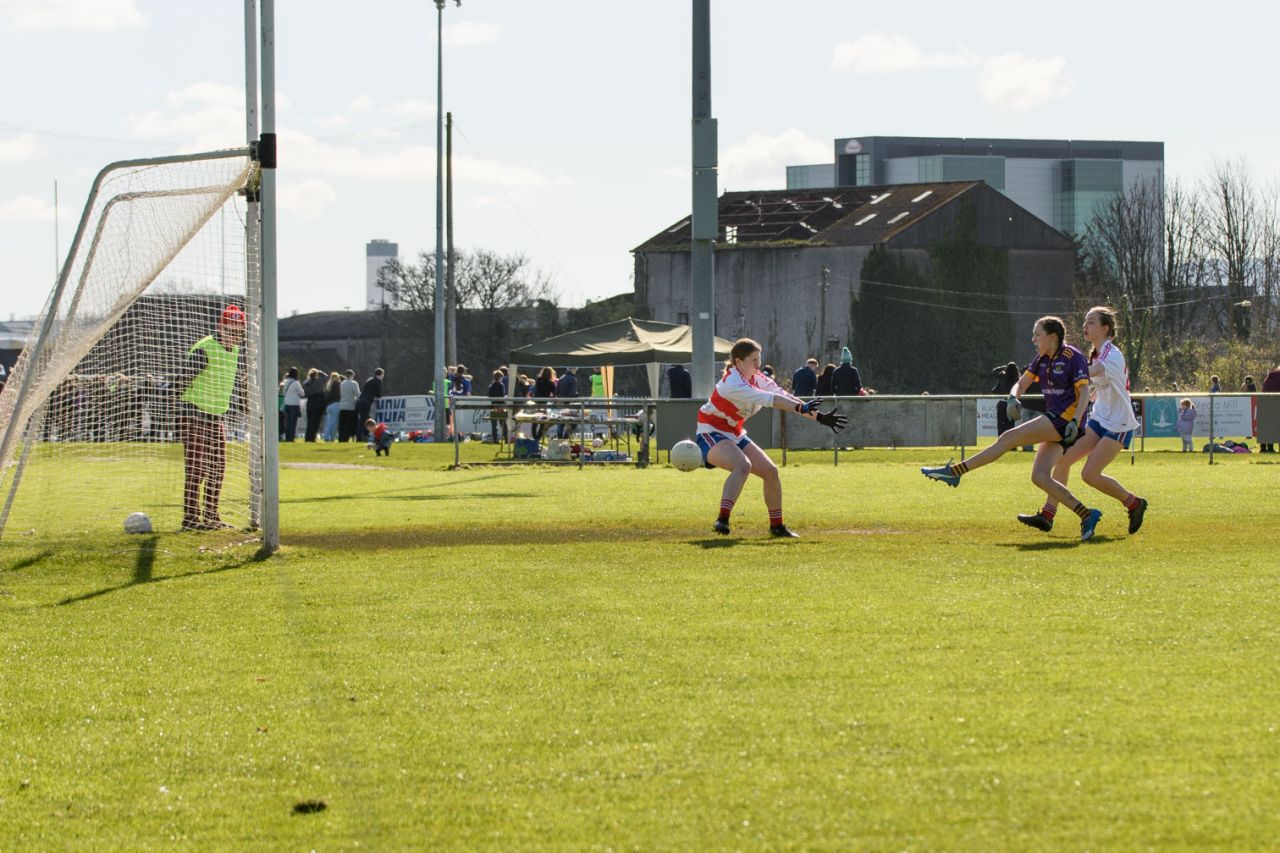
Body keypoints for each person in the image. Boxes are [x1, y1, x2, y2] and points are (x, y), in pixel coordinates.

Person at [921, 316, 1104, 542]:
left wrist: (1076, 422)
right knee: (1039, 477)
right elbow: (1021, 382)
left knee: (1008, 437)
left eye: (1037, 334)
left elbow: (1085, 393)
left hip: (1065, 421)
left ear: (1052, 337)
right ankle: (1087, 514)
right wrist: (1012, 397)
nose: (1033, 339)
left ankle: (955, 472)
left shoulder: (1072, 357)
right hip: (1058, 421)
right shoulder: (1041, 360)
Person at [696, 337, 847, 539]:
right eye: (753, 360)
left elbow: (785, 397)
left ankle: (777, 527)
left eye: (759, 359)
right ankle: (722, 519)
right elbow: (772, 400)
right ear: (738, 362)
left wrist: (819, 417)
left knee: (770, 471)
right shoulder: (732, 383)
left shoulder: (757, 377)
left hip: (734, 433)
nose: (758, 365)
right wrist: (803, 409)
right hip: (710, 431)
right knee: (743, 466)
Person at [1018, 307, 1148, 536]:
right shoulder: (1094, 354)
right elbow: (1090, 383)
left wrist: (1064, 373)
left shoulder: (1112, 354)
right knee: (1063, 460)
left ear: (1105, 329)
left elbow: (1091, 372)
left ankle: (1134, 503)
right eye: (1085, 322)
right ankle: (1048, 515)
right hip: (1099, 419)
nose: (1085, 327)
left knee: (1089, 475)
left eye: (1091, 323)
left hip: (1119, 424)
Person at [177, 305, 245, 531]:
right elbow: (181, 381)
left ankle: (212, 516)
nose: (236, 337)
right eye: (232, 331)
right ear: (221, 328)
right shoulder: (204, 349)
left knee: (218, 466)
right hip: (193, 413)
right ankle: (190, 519)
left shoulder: (235, 350)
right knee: (197, 468)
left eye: (240, 332)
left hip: (216, 415)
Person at [991, 361, 1020, 435]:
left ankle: (1001, 443)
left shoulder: (1002, 376)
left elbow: (994, 371)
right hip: (1012, 403)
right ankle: (1011, 444)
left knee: (1000, 424)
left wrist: (1005, 366)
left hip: (1002, 403)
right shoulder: (1017, 379)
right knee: (1010, 425)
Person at [356, 367, 384, 441]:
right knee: (363, 421)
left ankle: (365, 435)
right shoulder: (378, 381)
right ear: (381, 374)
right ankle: (360, 437)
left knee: (366, 419)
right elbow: (378, 394)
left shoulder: (369, 380)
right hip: (366, 402)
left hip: (360, 401)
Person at [531, 366, 557, 441]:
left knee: (535, 419)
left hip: (536, 401)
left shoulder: (538, 380)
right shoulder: (551, 383)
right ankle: (538, 437)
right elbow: (554, 393)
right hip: (544, 403)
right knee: (543, 420)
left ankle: (534, 436)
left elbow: (535, 389)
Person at [302, 368, 327, 442]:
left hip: (310, 403)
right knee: (316, 422)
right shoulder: (319, 381)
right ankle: (312, 438)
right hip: (318, 403)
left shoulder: (306, 383)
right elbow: (326, 377)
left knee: (310, 422)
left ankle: (307, 438)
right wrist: (321, 372)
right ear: (316, 375)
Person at [280, 366, 304, 442]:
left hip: (287, 404)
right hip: (294, 404)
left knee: (287, 422)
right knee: (293, 423)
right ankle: (291, 438)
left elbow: (283, 392)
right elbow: (302, 393)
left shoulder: (286, 381)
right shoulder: (296, 383)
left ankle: (287, 438)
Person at [555, 367, 580, 438]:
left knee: (561, 423)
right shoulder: (573, 379)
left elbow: (556, 391)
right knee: (573, 424)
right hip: (570, 404)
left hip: (561, 403)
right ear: (573, 369)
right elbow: (573, 393)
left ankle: (559, 439)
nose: (576, 370)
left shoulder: (561, 378)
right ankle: (565, 439)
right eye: (576, 369)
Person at [338, 369, 360, 442]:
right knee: (348, 425)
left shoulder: (342, 383)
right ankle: (346, 439)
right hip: (350, 406)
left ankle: (341, 439)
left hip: (342, 406)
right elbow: (358, 394)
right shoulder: (354, 383)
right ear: (352, 375)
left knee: (342, 425)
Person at [487, 369, 508, 444]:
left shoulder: (491, 386)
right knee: (504, 424)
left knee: (494, 424)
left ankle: (495, 439)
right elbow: (502, 395)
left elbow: (490, 396)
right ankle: (506, 438)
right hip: (501, 407)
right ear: (500, 378)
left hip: (493, 407)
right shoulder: (501, 385)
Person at [322, 371, 342, 442]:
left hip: (328, 406)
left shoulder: (328, 386)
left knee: (328, 423)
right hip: (336, 404)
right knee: (335, 423)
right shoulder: (338, 384)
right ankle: (333, 438)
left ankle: (326, 437)